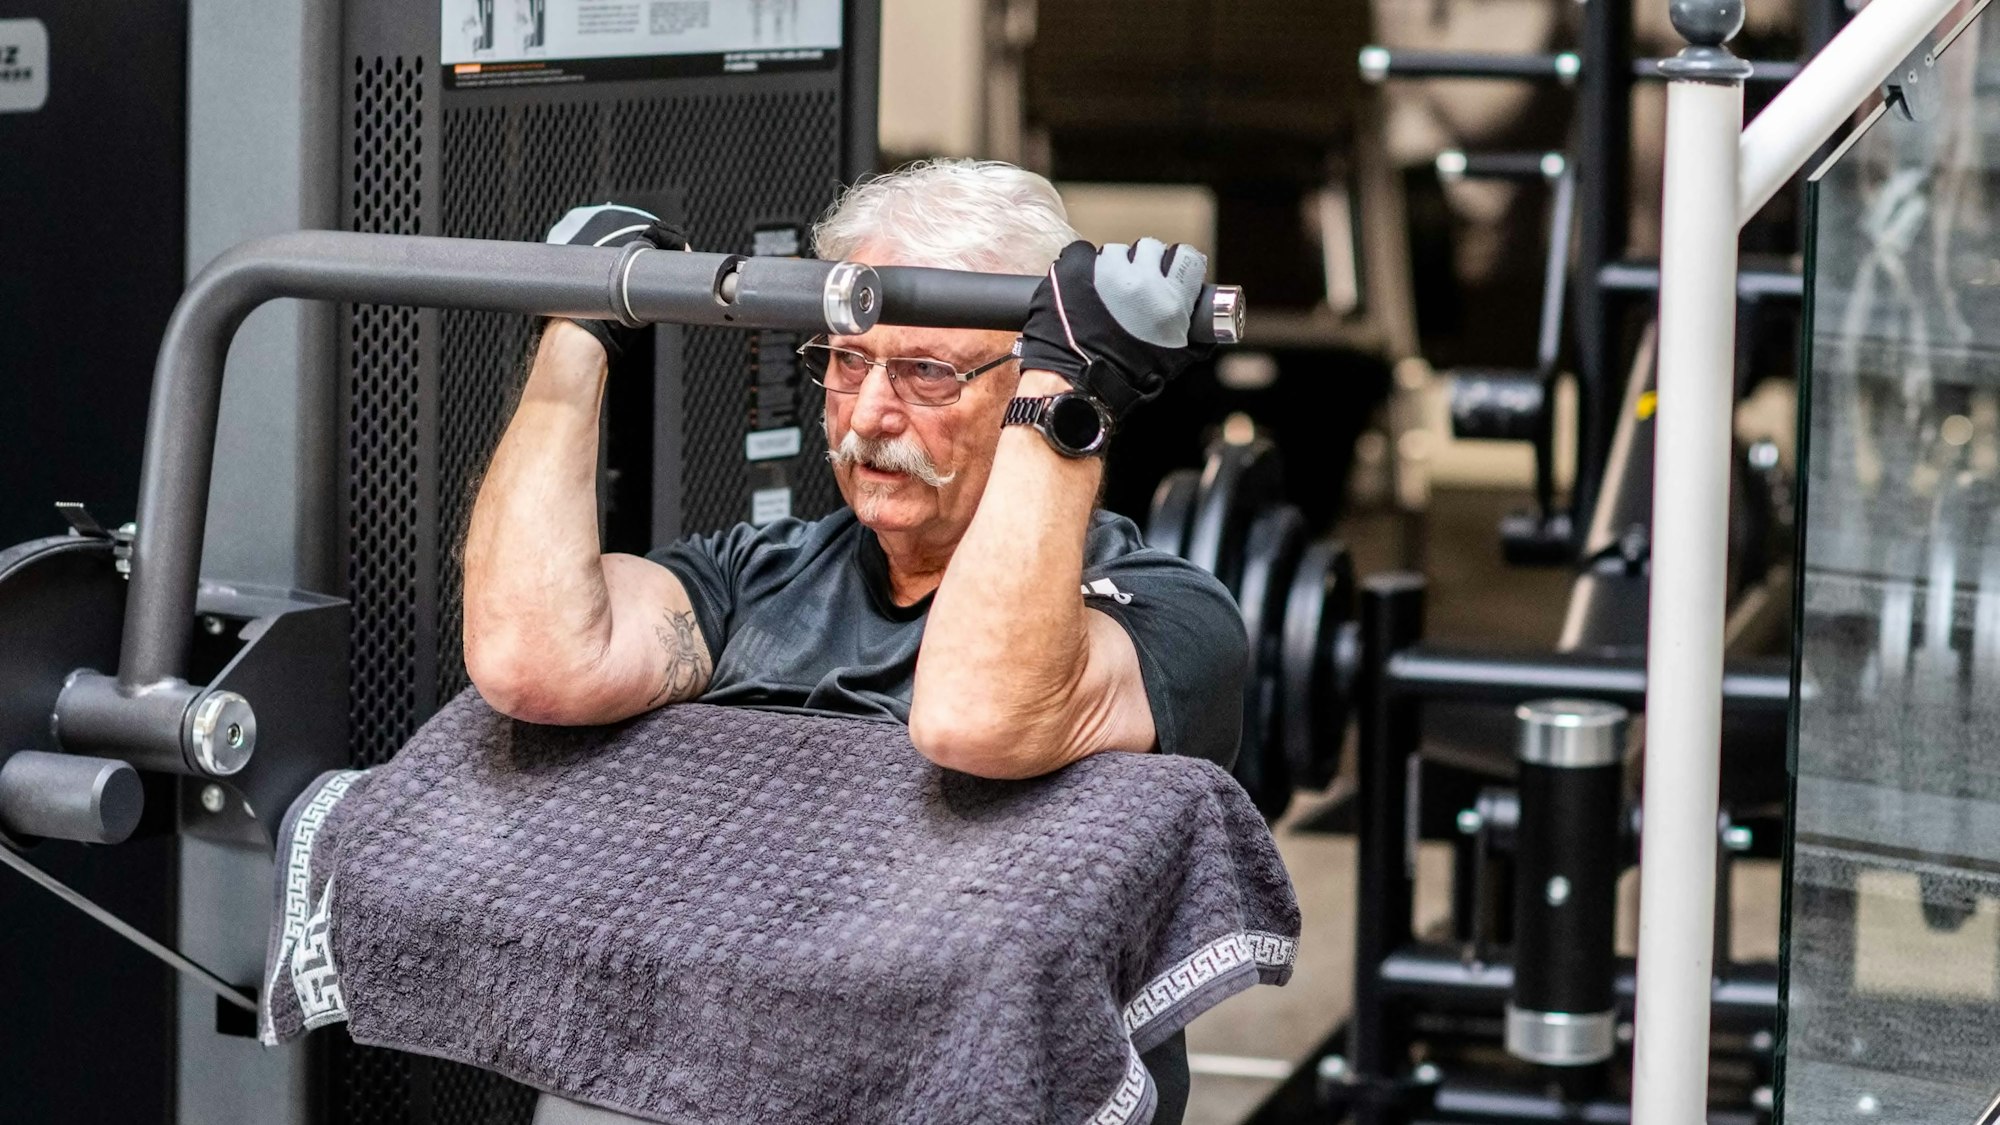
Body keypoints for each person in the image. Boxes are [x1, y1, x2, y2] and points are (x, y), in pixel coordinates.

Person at [461, 158, 1248, 1123]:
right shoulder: (762, 577)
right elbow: (529, 657)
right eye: (847, 361)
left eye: (927, 371)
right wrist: (577, 323)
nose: (870, 415)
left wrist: (1071, 388)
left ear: (1027, 380)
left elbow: (974, 718)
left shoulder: (1169, 617)